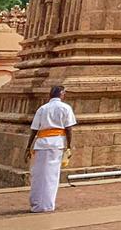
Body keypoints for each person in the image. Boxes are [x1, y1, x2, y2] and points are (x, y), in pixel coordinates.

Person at [25, 85, 77, 213]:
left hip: (41, 144)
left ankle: (36, 203)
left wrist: (28, 147)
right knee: (51, 175)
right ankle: (47, 205)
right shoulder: (65, 108)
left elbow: (34, 130)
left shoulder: (42, 108)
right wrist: (69, 146)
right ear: (61, 94)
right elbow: (68, 129)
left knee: (38, 174)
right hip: (56, 144)